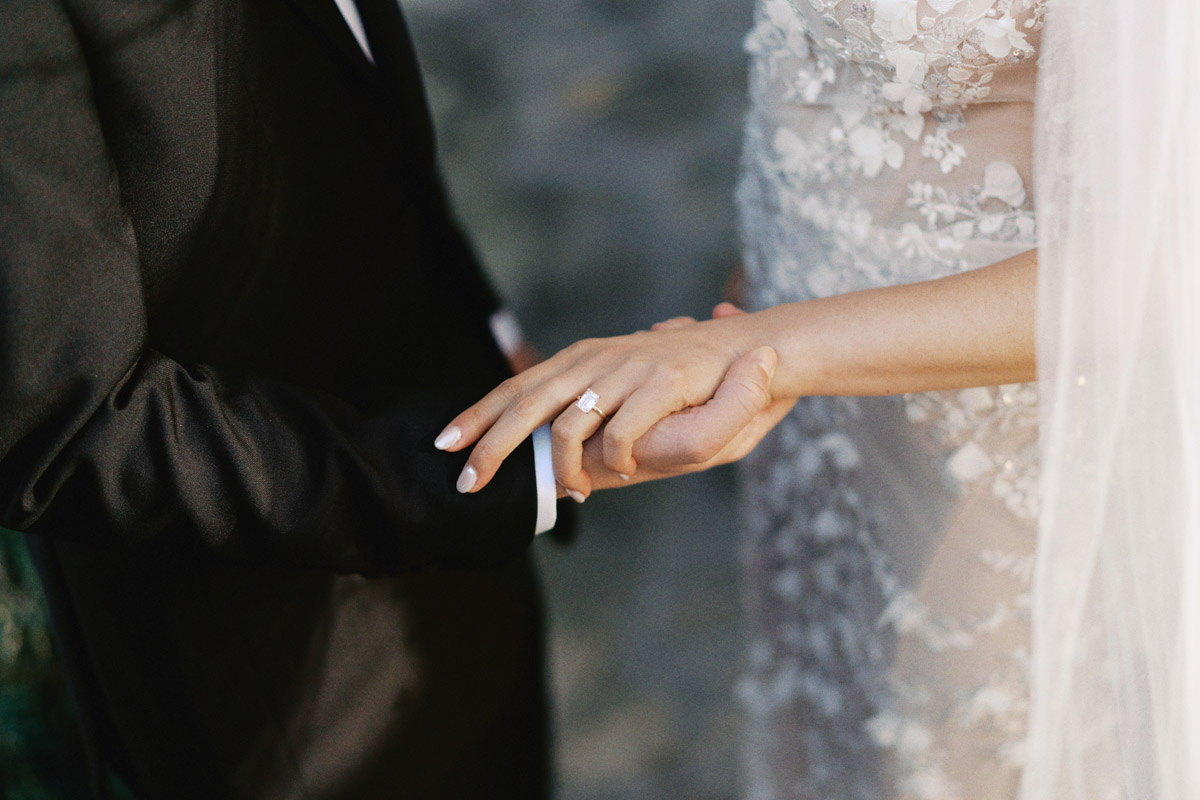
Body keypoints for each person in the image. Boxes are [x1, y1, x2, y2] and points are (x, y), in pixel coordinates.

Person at [441, 1, 1200, 799]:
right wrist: (769, 266)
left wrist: (755, 351)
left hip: (992, 448)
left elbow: (1163, 270)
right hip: (821, 418)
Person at [0, 0, 586, 796]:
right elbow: (71, 423)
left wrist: (488, 326)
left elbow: (347, 106)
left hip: (471, 592)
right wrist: (489, 470)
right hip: (276, 697)